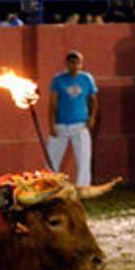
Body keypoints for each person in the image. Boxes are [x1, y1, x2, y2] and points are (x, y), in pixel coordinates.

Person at [46, 50, 98, 187]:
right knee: (52, 158)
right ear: (66, 64)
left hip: (80, 125)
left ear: (81, 64)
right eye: (71, 63)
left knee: (83, 158)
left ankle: (83, 187)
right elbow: (52, 103)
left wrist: (92, 117)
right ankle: (48, 186)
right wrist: (51, 124)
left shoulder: (87, 79)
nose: (74, 66)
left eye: (77, 63)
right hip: (61, 124)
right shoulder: (58, 80)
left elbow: (93, 100)